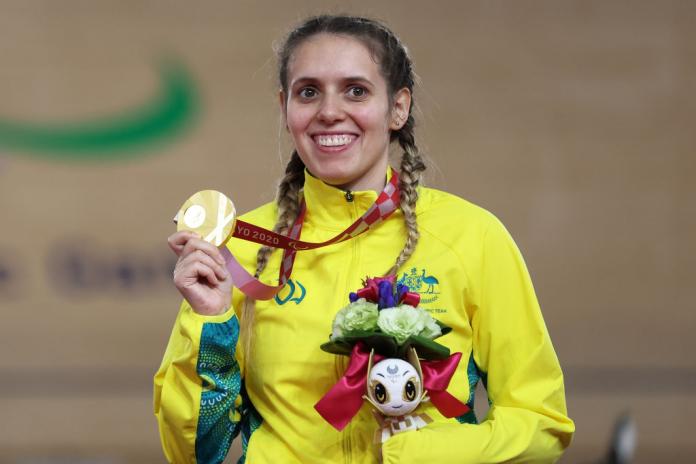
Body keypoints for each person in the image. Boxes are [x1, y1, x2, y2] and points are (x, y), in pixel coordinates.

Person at [154, 15, 575, 464]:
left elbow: (540, 424)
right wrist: (210, 323)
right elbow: (194, 454)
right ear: (285, 108)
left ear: (398, 107)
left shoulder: (472, 236)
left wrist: (418, 455)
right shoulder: (240, 255)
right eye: (308, 91)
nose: (329, 111)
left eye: (356, 90)